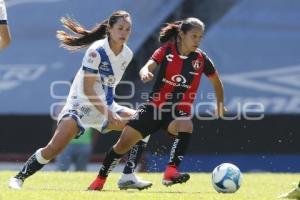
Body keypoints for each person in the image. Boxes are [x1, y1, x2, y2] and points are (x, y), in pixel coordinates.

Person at [8, 10, 152, 190]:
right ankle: (18, 178)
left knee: (144, 122)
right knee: (53, 149)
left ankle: (128, 176)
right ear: (110, 29)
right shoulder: (96, 51)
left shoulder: (127, 54)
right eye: (120, 28)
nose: (124, 33)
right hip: (79, 106)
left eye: (128, 29)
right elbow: (87, 89)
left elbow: (107, 86)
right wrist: (107, 113)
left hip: (105, 107)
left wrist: (108, 110)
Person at [87, 17, 226, 191]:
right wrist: (145, 72)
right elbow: (148, 65)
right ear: (182, 34)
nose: (197, 41)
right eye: (194, 36)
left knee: (186, 124)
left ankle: (170, 172)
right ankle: (100, 180)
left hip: (178, 112)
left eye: (200, 37)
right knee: (122, 146)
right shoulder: (166, 51)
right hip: (154, 108)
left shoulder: (201, 59)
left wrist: (220, 104)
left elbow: (216, 82)